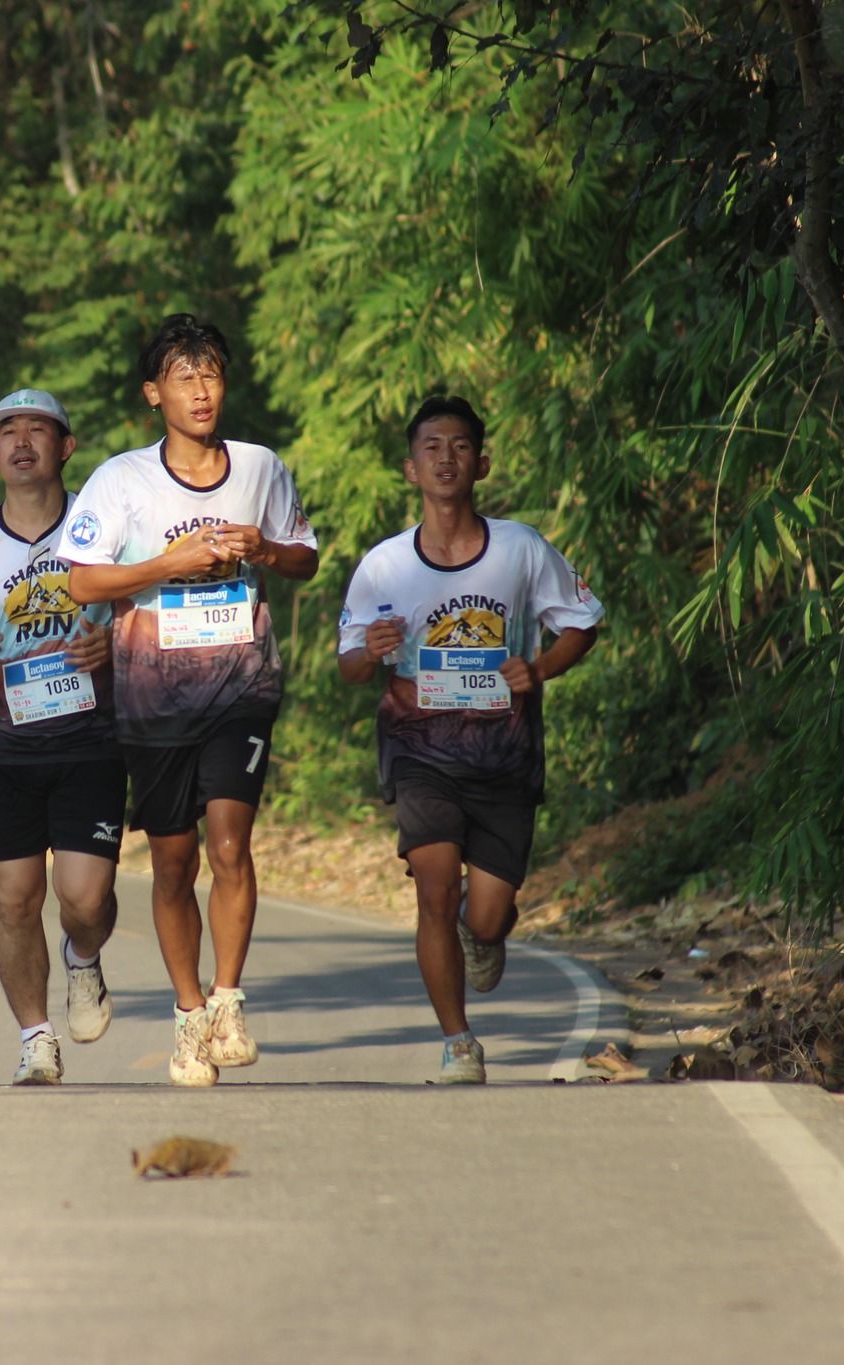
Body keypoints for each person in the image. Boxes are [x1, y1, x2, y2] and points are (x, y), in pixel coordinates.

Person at [60, 315, 320, 1087]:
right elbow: (82, 580)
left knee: (230, 842)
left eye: (212, 374)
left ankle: (230, 998)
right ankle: (188, 1014)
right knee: (172, 864)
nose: (201, 390)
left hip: (242, 686)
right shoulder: (121, 480)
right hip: (152, 697)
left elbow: (303, 556)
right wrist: (169, 561)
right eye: (184, 376)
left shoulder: (260, 468)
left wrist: (264, 549)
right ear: (154, 393)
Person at [337, 394, 603, 1083]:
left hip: (503, 752)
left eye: (459, 446)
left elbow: (582, 621)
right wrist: (370, 647)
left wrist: (538, 667)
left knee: (485, 914)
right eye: (431, 446)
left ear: (481, 462)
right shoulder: (384, 565)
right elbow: (350, 666)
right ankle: (458, 1041)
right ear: (410, 467)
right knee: (432, 885)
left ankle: (479, 930)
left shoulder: (520, 548)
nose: (446, 457)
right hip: (419, 747)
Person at [0, 388, 124, 1085]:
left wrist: (114, 645)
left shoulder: (103, 537)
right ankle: (36, 1035)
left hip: (90, 742)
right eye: (8, 431)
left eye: (37, 430)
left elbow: (144, 611)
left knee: (85, 902)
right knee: (13, 899)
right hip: (3, 750)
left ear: (64, 449)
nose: (21, 442)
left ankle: (84, 956)